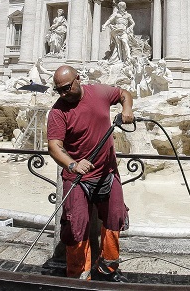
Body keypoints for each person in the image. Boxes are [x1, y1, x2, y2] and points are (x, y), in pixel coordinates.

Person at [47, 65, 134, 282]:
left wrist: (127, 109)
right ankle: (78, 275)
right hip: (77, 178)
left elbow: (124, 94)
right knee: (76, 229)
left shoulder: (100, 93)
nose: (63, 93)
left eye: (66, 88)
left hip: (107, 172)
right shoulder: (57, 112)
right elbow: (54, 147)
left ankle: (108, 269)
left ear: (78, 79)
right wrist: (72, 164)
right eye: (59, 90)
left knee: (115, 218)